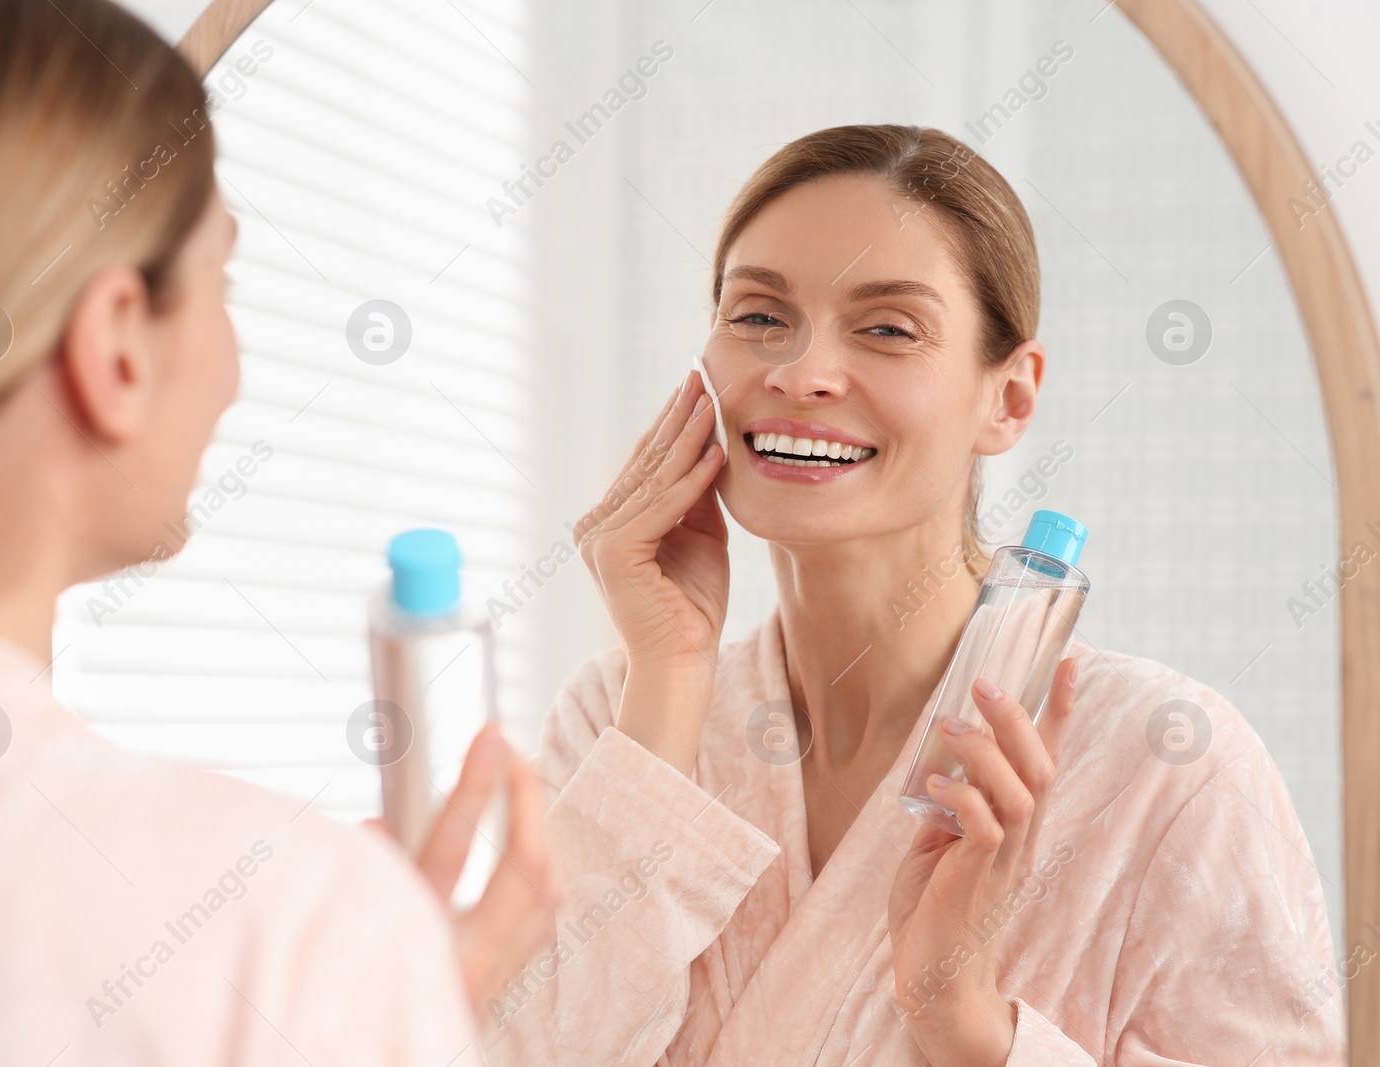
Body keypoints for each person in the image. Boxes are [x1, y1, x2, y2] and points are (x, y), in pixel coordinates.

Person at [0, 0, 556, 1063]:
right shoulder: (277, 923)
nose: (235, 360)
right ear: (115, 350)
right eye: (220, 281)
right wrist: (375, 1000)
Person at [485, 126, 1343, 1065]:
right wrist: (668, 673)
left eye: (888, 327)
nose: (800, 372)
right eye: (759, 316)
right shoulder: (613, 715)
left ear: (1009, 399)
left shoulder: (1169, 765)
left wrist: (971, 1026)